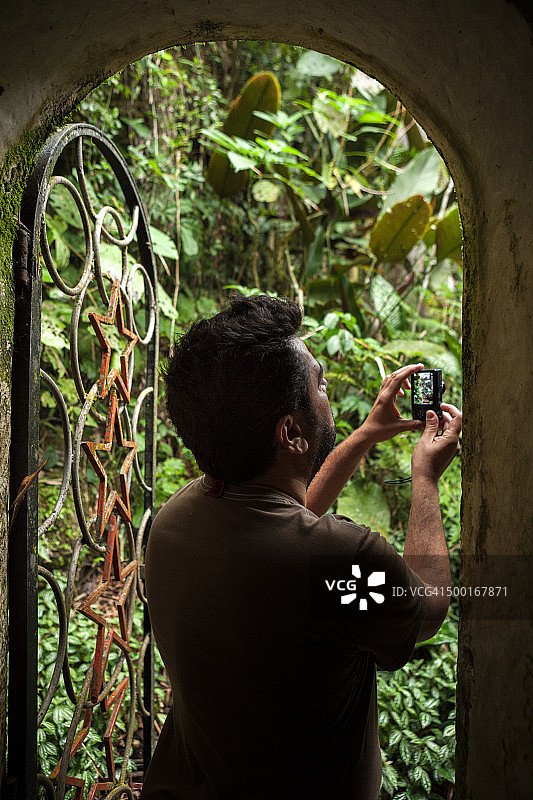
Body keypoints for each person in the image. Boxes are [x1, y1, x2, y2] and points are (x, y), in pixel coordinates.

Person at [141, 294, 462, 799]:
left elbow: (288, 526)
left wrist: (362, 436)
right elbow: (430, 608)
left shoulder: (177, 519)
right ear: (291, 431)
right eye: (321, 385)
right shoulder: (342, 557)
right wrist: (426, 478)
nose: (327, 391)